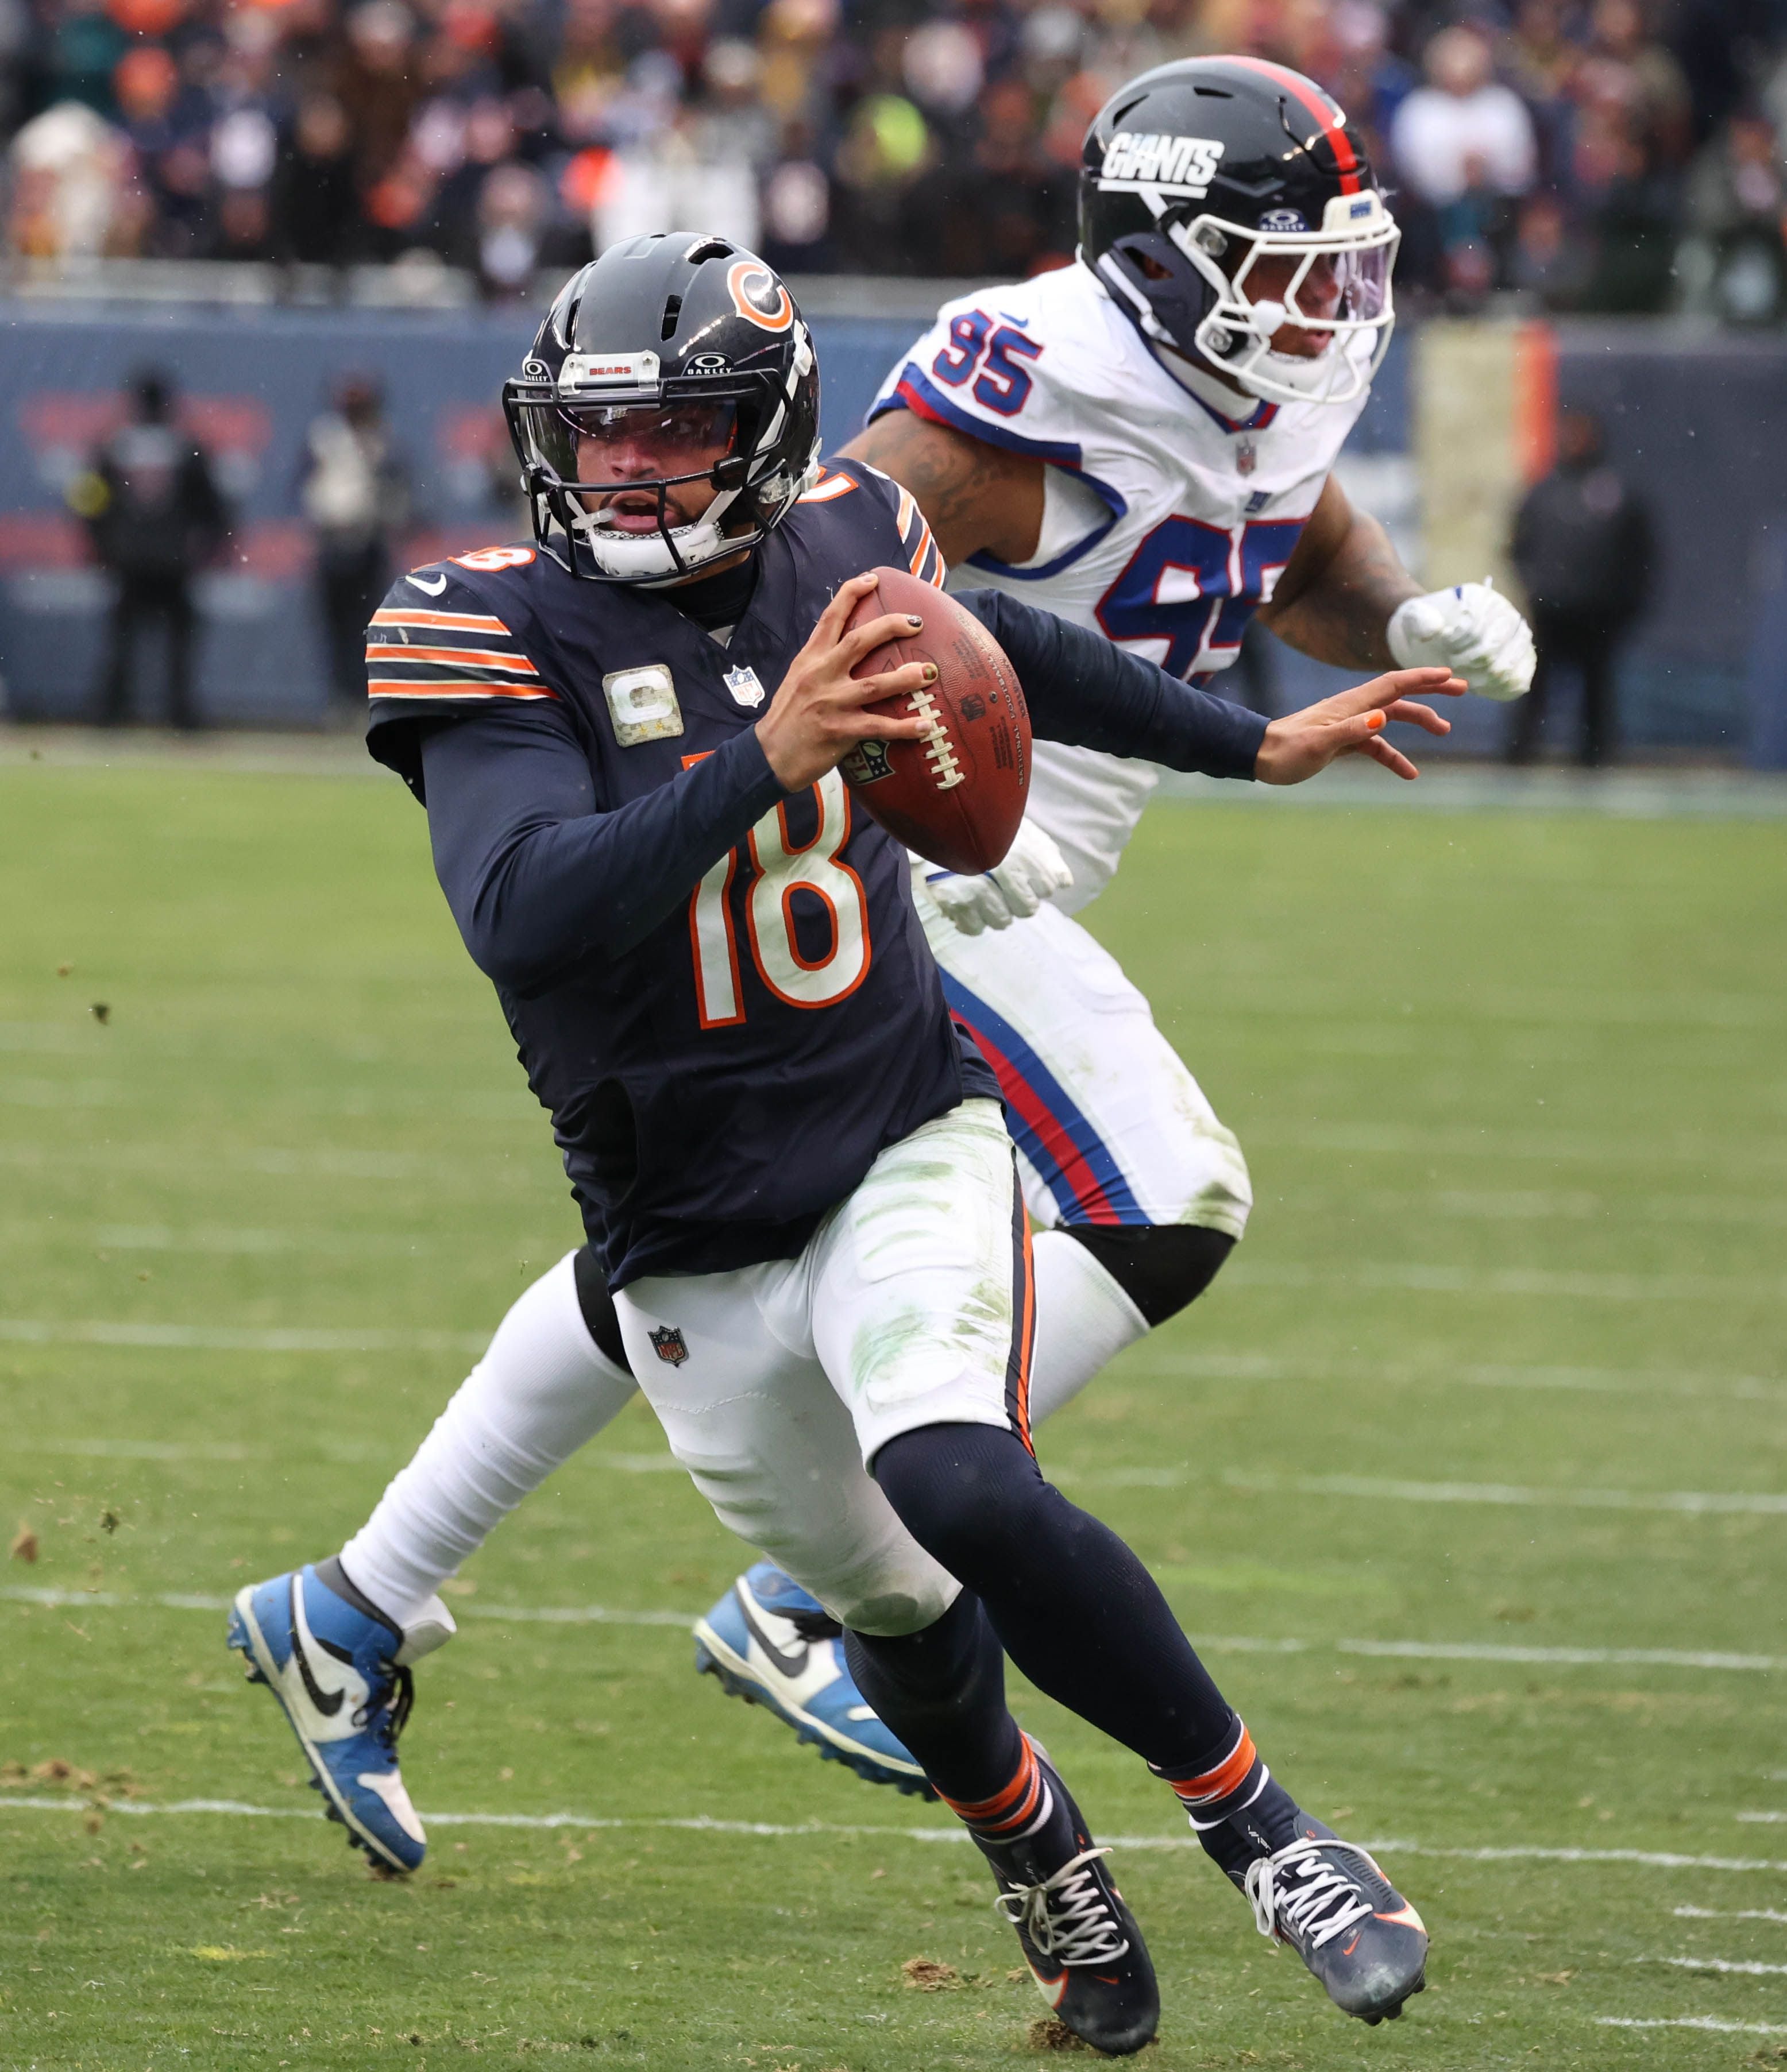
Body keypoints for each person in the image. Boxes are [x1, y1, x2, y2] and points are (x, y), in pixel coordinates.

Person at [232, 60, 1531, 1844]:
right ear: (1164, 257)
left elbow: (1275, 524)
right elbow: (829, 587)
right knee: (1167, 1186)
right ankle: (827, 1578)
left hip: (1020, 856)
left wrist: (1390, 617)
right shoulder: (1029, 375)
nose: (1325, 294)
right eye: (1284, 256)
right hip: (912, 855)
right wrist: (902, 780)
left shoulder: (1267, 368)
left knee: (693, 1240)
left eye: (1332, 259)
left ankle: (361, 1596)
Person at [71, 367, 229, 729]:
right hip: (173, 559)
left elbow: (89, 499)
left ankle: (112, 712)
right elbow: (211, 505)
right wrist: (209, 545)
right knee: (178, 645)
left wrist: (101, 544)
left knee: (123, 641)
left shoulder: (114, 445)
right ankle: (180, 713)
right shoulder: (186, 445)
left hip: (129, 558)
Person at [1507, 407, 1653, 766]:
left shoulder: (1617, 493)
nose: (1573, 441)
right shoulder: (1544, 492)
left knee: (1597, 689)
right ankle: (1518, 757)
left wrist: (1622, 603)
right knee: (1532, 686)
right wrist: (1536, 587)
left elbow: (1639, 555)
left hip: (1598, 613)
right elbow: (1518, 546)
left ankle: (1596, 758)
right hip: (1549, 610)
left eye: (1581, 433)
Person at [300, 374, 411, 714]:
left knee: (368, 626)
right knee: (334, 625)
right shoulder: (324, 437)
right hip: (333, 539)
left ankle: (366, 698)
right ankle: (339, 698)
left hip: (367, 538)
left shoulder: (382, 439)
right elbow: (306, 487)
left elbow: (398, 490)